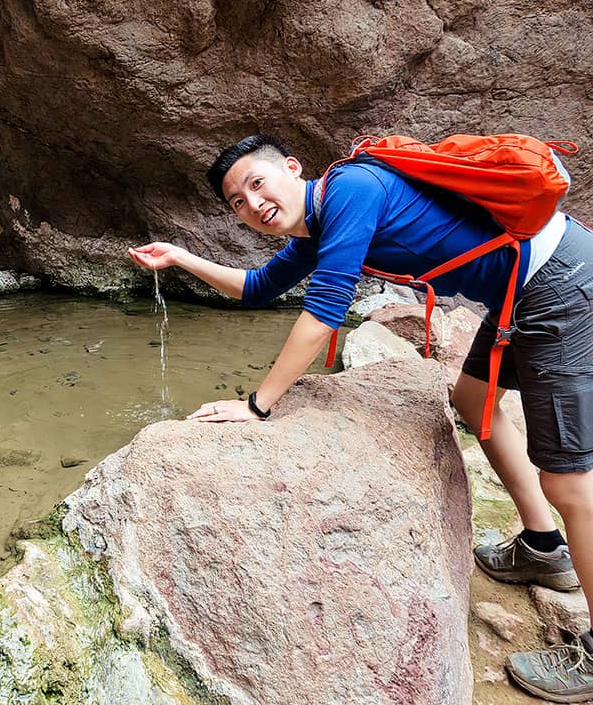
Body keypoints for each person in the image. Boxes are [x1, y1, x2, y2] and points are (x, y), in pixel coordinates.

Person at [128, 134, 593, 702]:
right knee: (474, 402)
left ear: (292, 169)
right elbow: (256, 289)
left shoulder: (350, 190)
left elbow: (324, 310)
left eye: (257, 182)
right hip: (522, 287)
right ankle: (545, 550)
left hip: (557, 282)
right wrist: (177, 256)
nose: (252, 203)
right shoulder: (320, 223)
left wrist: (257, 405)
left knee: (571, 482)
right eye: (237, 201)